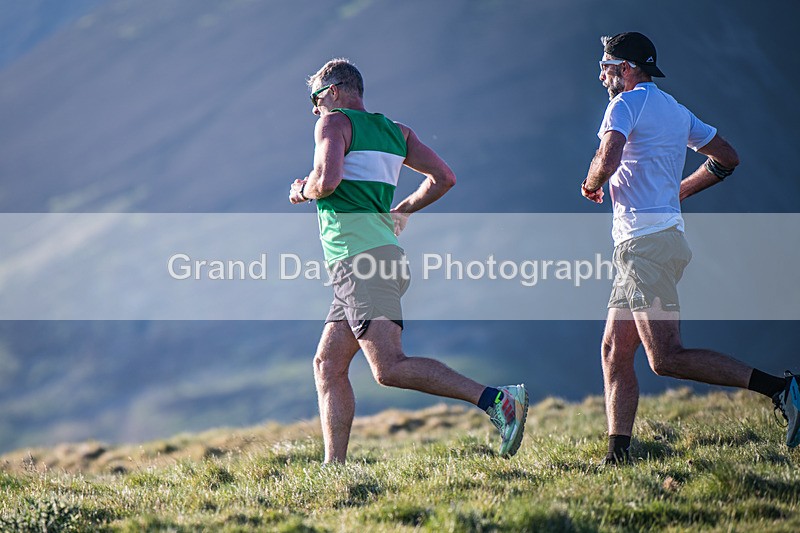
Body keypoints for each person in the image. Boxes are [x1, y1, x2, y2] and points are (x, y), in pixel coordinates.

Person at [289, 58, 528, 463]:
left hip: (360, 261)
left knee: (389, 367)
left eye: (315, 99)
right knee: (327, 364)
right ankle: (335, 469)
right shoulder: (396, 132)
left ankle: (497, 401)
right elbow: (444, 178)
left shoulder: (332, 123)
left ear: (333, 91)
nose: (314, 109)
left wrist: (303, 190)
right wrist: (403, 211)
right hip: (375, 259)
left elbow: (326, 181)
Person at [581, 32, 799, 463]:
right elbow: (727, 157)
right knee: (614, 350)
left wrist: (591, 184)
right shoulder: (674, 109)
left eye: (606, 64)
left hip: (646, 247)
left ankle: (782, 389)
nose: (601, 72)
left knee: (666, 357)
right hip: (651, 244)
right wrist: (676, 193)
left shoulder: (623, 104)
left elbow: (608, 156)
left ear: (625, 68)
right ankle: (617, 456)